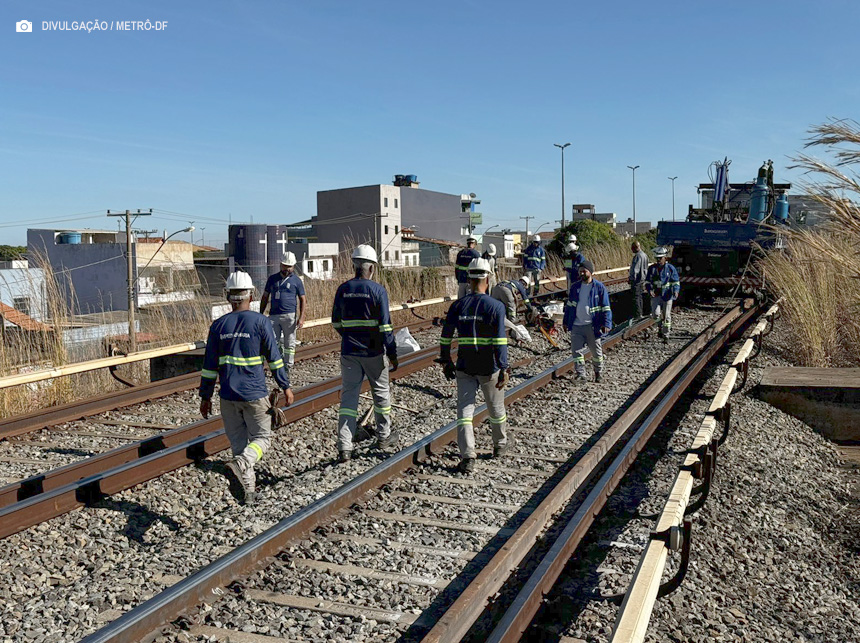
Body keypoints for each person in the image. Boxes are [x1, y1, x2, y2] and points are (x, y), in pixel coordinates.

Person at [199, 270, 294, 505]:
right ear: (250, 295)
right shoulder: (261, 322)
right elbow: (275, 358)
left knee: (239, 444)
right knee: (262, 439)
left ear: (228, 296)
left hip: (228, 396)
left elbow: (209, 366)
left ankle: (248, 493)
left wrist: (205, 396)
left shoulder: (218, 326)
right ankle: (243, 465)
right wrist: (285, 386)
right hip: (254, 394)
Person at [439, 258, 509, 474]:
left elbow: (445, 337)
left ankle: (468, 455)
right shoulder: (496, 306)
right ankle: (500, 445)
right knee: (496, 409)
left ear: (469, 280)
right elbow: (499, 341)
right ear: (487, 279)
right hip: (489, 367)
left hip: (465, 366)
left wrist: (446, 360)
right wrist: (504, 367)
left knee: (464, 411)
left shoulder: (458, 306)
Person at [331, 244, 400, 463]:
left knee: (349, 398)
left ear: (354, 265)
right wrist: (393, 352)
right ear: (371, 268)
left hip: (350, 351)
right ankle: (383, 436)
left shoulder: (343, 289)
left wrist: (349, 335)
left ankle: (344, 445)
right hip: (373, 352)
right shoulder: (378, 291)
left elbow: (335, 322)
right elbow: (386, 327)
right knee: (381, 394)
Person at [562, 259, 612, 383]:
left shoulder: (599, 288)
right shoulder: (575, 287)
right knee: (576, 351)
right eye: (580, 271)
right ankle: (581, 374)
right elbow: (569, 306)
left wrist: (607, 323)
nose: (582, 273)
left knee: (596, 352)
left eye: (584, 271)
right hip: (577, 325)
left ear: (590, 272)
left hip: (592, 326)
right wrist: (565, 321)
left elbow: (606, 307)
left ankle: (598, 372)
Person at [260, 252, 306, 374]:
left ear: (293, 266)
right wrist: (260, 313)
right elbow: (265, 297)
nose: (287, 269)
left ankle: (288, 366)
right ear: (281, 264)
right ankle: (278, 362)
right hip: (274, 315)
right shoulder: (272, 279)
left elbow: (302, 299)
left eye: (289, 266)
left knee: (289, 342)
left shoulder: (297, 281)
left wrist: (301, 317)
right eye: (285, 266)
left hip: (290, 316)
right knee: (272, 341)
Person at [645, 247, 680, 343]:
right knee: (655, 314)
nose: (658, 260)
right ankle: (660, 326)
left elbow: (676, 282)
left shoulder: (670, 268)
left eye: (660, 258)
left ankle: (666, 335)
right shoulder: (652, 269)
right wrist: (649, 290)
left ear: (665, 258)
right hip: (656, 294)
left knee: (667, 315)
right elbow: (647, 282)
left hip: (667, 295)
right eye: (657, 259)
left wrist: (676, 291)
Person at [491, 274, 533, 339]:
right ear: (525, 284)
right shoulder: (521, 285)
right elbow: (525, 299)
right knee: (511, 306)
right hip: (505, 290)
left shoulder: (513, 281)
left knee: (496, 306)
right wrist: (530, 308)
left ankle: (493, 319)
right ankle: (512, 321)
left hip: (496, 288)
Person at [628, 241, 648, 318]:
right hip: (643, 279)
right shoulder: (645, 255)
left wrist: (631, 278)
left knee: (636, 297)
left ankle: (638, 314)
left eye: (632, 249)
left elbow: (635, 269)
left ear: (635, 247)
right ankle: (641, 313)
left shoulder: (637, 256)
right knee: (640, 297)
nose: (632, 250)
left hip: (637, 280)